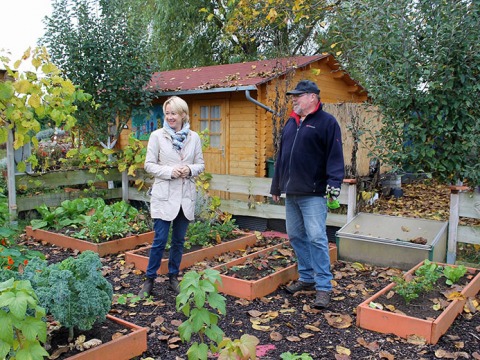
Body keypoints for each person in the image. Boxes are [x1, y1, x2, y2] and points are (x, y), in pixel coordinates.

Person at [270, 80, 344, 309]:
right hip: (291, 193)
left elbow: (334, 156)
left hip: (314, 193)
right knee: (295, 236)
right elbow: (281, 157)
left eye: (298, 95)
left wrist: (334, 184)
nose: (293, 99)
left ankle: (323, 287)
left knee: (317, 238)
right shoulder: (291, 123)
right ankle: (307, 278)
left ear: (312, 97)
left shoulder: (327, 123)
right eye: (293, 96)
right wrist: (276, 186)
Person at [139, 96, 205, 298]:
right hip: (165, 196)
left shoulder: (193, 137)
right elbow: (149, 165)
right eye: (167, 113)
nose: (169, 117)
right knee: (159, 239)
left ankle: (173, 277)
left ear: (183, 114)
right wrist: (170, 171)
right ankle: (149, 280)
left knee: (178, 241)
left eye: (173, 113)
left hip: (185, 198)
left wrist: (189, 169)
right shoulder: (157, 136)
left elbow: (201, 165)